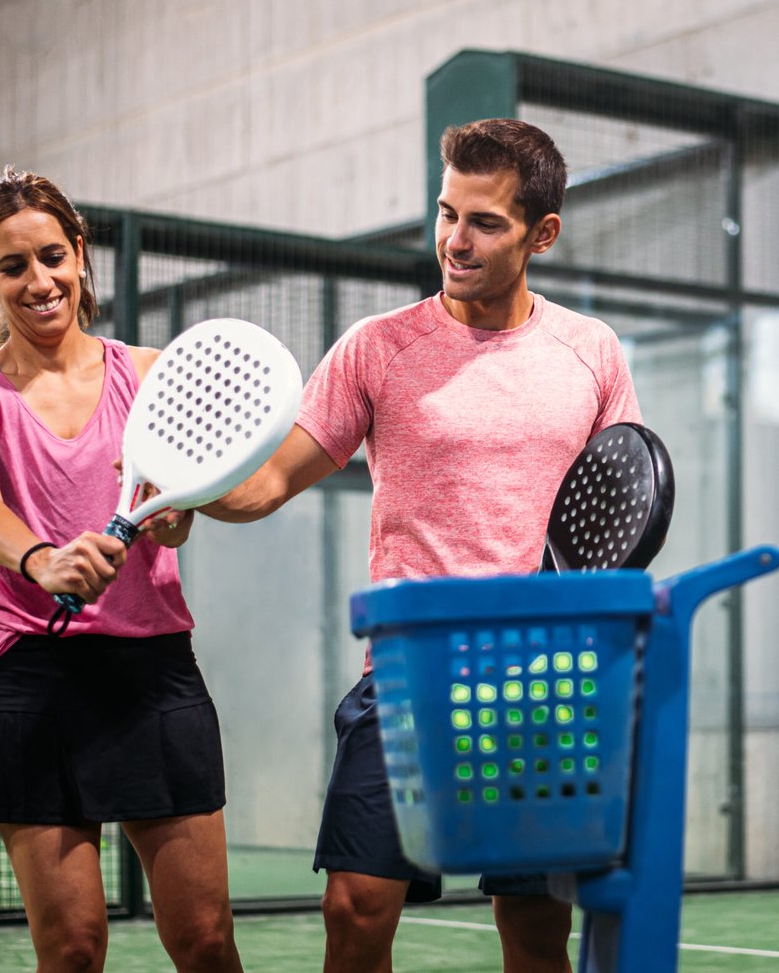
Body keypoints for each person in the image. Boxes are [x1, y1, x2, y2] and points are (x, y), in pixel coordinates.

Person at [207, 119, 642, 973]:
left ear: (541, 234)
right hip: (409, 676)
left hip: (541, 684)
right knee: (356, 908)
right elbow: (266, 484)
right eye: (446, 213)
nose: (455, 240)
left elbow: (616, 514)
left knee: (533, 923)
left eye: (485, 222)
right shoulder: (377, 349)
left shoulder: (590, 351)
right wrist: (190, 497)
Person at [0, 168, 243, 973]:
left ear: (79, 256)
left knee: (205, 941)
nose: (40, 282)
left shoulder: (150, 371)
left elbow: (179, 509)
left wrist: (178, 517)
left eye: (53, 256)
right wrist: (44, 559)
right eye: (13, 266)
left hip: (151, 669)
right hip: (27, 672)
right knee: (72, 949)